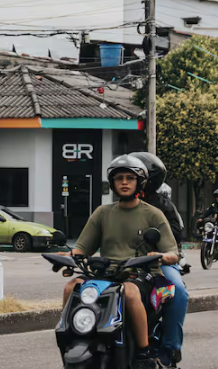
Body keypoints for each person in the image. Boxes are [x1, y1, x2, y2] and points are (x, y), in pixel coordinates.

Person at [64, 155, 179, 369]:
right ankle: (71, 337)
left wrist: (159, 256)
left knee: (129, 292)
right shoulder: (102, 213)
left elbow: (173, 253)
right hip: (105, 274)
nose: (124, 182)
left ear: (139, 183)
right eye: (119, 178)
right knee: (72, 287)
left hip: (139, 275)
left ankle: (143, 353)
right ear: (113, 183)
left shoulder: (153, 214)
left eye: (129, 178)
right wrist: (71, 256)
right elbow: (82, 247)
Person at [131, 152, 188, 369]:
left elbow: (176, 234)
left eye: (134, 175)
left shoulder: (162, 205)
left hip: (159, 263)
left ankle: (170, 347)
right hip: (124, 262)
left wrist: (155, 250)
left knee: (177, 292)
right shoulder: (114, 207)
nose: (127, 181)